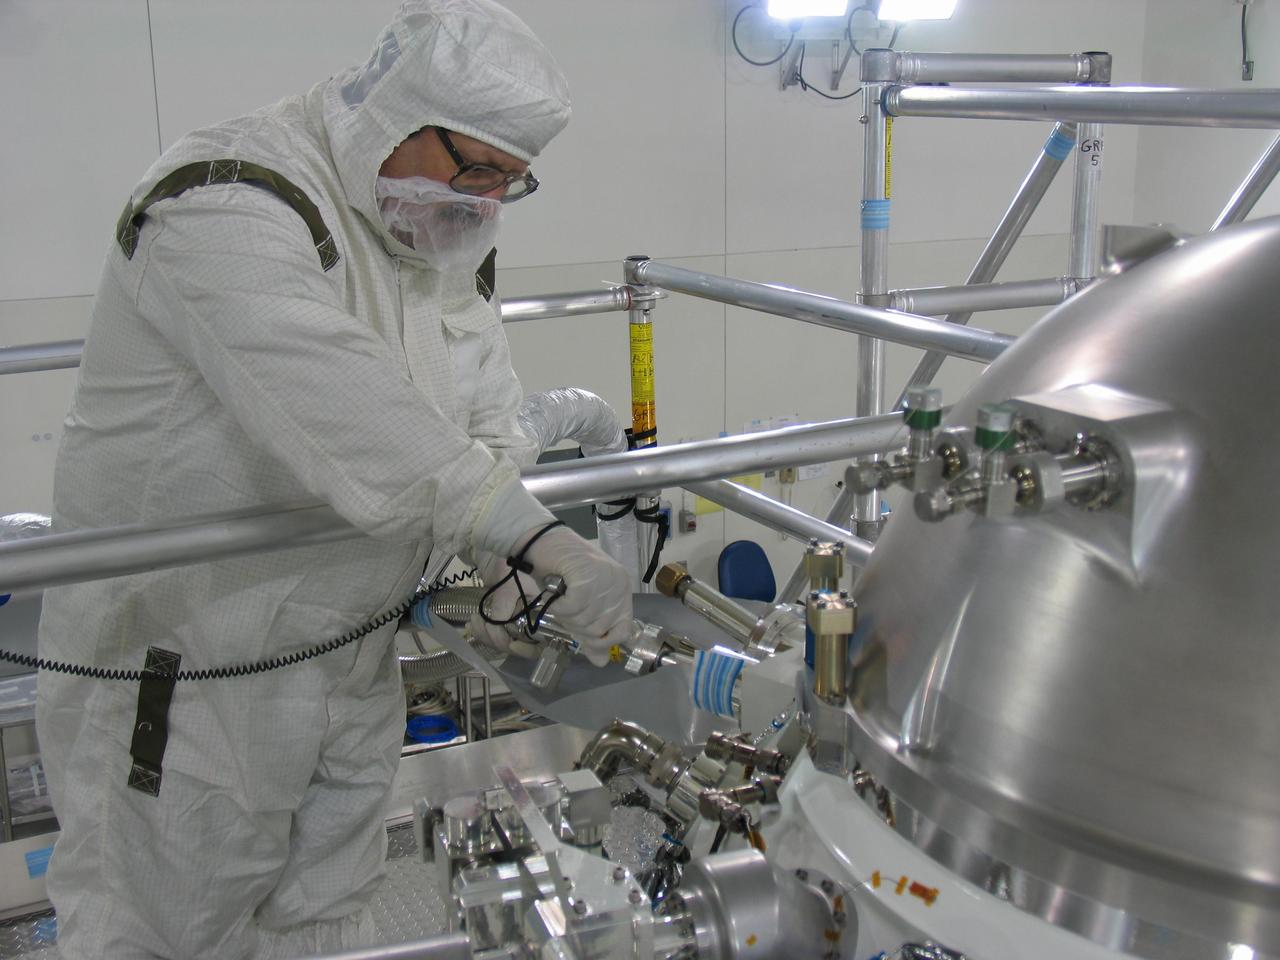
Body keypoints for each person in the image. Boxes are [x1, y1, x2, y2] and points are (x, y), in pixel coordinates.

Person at [35, 2, 633, 957]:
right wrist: (526, 530)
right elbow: (345, 409)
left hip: (349, 652)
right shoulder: (223, 201)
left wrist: (477, 570)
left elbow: (478, 413)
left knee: (329, 911)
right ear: (395, 109)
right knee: (165, 925)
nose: (480, 201)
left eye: (508, 183)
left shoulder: (436, 226)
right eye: (472, 168)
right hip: (189, 666)